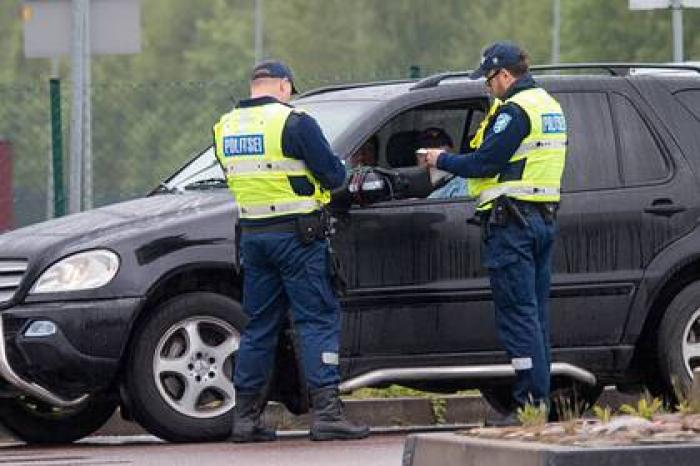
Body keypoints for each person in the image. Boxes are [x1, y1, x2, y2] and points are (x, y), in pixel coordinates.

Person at [212, 59, 370, 442]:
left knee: (259, 328)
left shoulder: (224, 127)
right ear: (283, 86)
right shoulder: (294, 122)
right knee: (316, 320)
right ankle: (328, 414)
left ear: (255, 86)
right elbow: (333, 176)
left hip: (253, 237)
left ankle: (245, 420)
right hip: (299, 237)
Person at [421, 42, 567, 425]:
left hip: (512, 223)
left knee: (518, 316)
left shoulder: (515, 110)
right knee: (535, 317)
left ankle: (528, 407)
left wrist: (442, 159)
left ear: (504, 74)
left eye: (489, 81)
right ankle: (539, 403)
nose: (489, 88)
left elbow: (486, 161)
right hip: (541, 218)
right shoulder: (549, 105)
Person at [414, 127, 467, 199]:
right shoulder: (408, 188)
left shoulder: (461, 186)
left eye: (442, 158)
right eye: (426, 158)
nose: (433, 164)